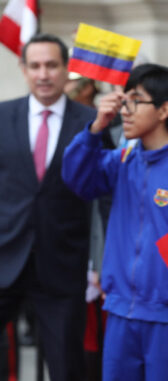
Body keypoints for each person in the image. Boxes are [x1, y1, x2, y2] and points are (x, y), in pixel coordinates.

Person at [62, 63, 168, 380]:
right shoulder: (124, 158)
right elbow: (77, 179)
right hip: (120, 311)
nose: (125, 110)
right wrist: (96, 129)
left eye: (135, 100)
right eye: (124, 100)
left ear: (163, 109)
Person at [0, 33, 96, 381]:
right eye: (36, 66)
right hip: (4, 257)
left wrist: (97, 264)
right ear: (23, 69)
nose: (44, 74)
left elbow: (102, 198)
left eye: (52, 65)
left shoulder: (93, 123)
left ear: (66, 69)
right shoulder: (2, 115)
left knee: (65, 366)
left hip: (63, 266)